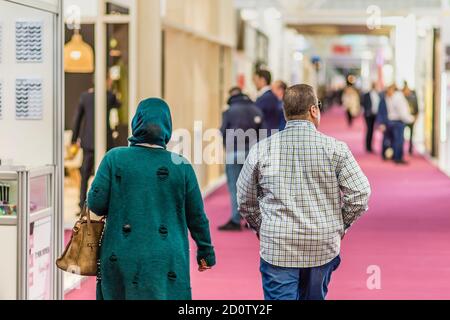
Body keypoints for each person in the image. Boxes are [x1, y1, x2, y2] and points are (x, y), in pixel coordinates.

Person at [237, 84, 371, 301]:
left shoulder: (262, 150)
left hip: (278, 245)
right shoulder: (335, 149)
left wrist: (262, 226)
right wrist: (340, 224)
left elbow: (244, 198)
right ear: (313, 110)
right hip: (322, 244)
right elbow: (360, 194)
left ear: (285, 112)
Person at [87, 98, 216, 300]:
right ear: (167, 126)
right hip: (166, 258)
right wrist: (205, 252)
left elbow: (96, 204)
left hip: (122, 253)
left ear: (136, 122)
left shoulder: (114, 158)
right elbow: (197, 216)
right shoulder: (181, 166)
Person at [218, 87, 264, 231]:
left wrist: (227, 145)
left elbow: (223, 130)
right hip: (252, 153)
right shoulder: (256, 109)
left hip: (234, 152)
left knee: (234, 187)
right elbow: (263, 132)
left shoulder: (229, 111)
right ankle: (253, 220)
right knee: (253, 187)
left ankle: (235, 219)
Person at [71, 84, 120, 215]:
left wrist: (73, 139)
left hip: (88, 141)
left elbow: (77, 118)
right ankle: (109, 205)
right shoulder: (109, 96)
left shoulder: (85, 97)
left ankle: (82, 205)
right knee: (109, 174)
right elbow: (119, 104)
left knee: (84, 174)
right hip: (106, 141)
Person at [377, 85, 414, 165]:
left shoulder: (394, 97)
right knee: (398, 141)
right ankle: (397, 158)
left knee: (395, 141)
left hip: (392, 121)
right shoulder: (398, 97)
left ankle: (395, 156)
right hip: (397, 122)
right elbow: (402, 112)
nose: (409, 92)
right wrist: (410, 119)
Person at [253, 69, 281, 136]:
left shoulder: (266, 97)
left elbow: (256, 115)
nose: (254, 83)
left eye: (256, 80)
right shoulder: (269, 96)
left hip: (266, 135)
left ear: (262, 80)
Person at [362, 83, 381, 153]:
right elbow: (364, 103)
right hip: (368, 115)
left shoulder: (378, 94)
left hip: (375, 115)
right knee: (369, 130)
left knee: (373, 130)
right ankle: (368, 146)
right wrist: (367, 111)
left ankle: (371, 146)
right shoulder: (367, 94)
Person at [403, 82, 419, 155]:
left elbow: (416, 108)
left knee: (411, 135)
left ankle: (410, 149)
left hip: (412, 118)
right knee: (402, 134)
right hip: (404, 119)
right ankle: (401, 148)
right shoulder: (402, 98)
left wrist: (416, 117)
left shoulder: (413, 98)